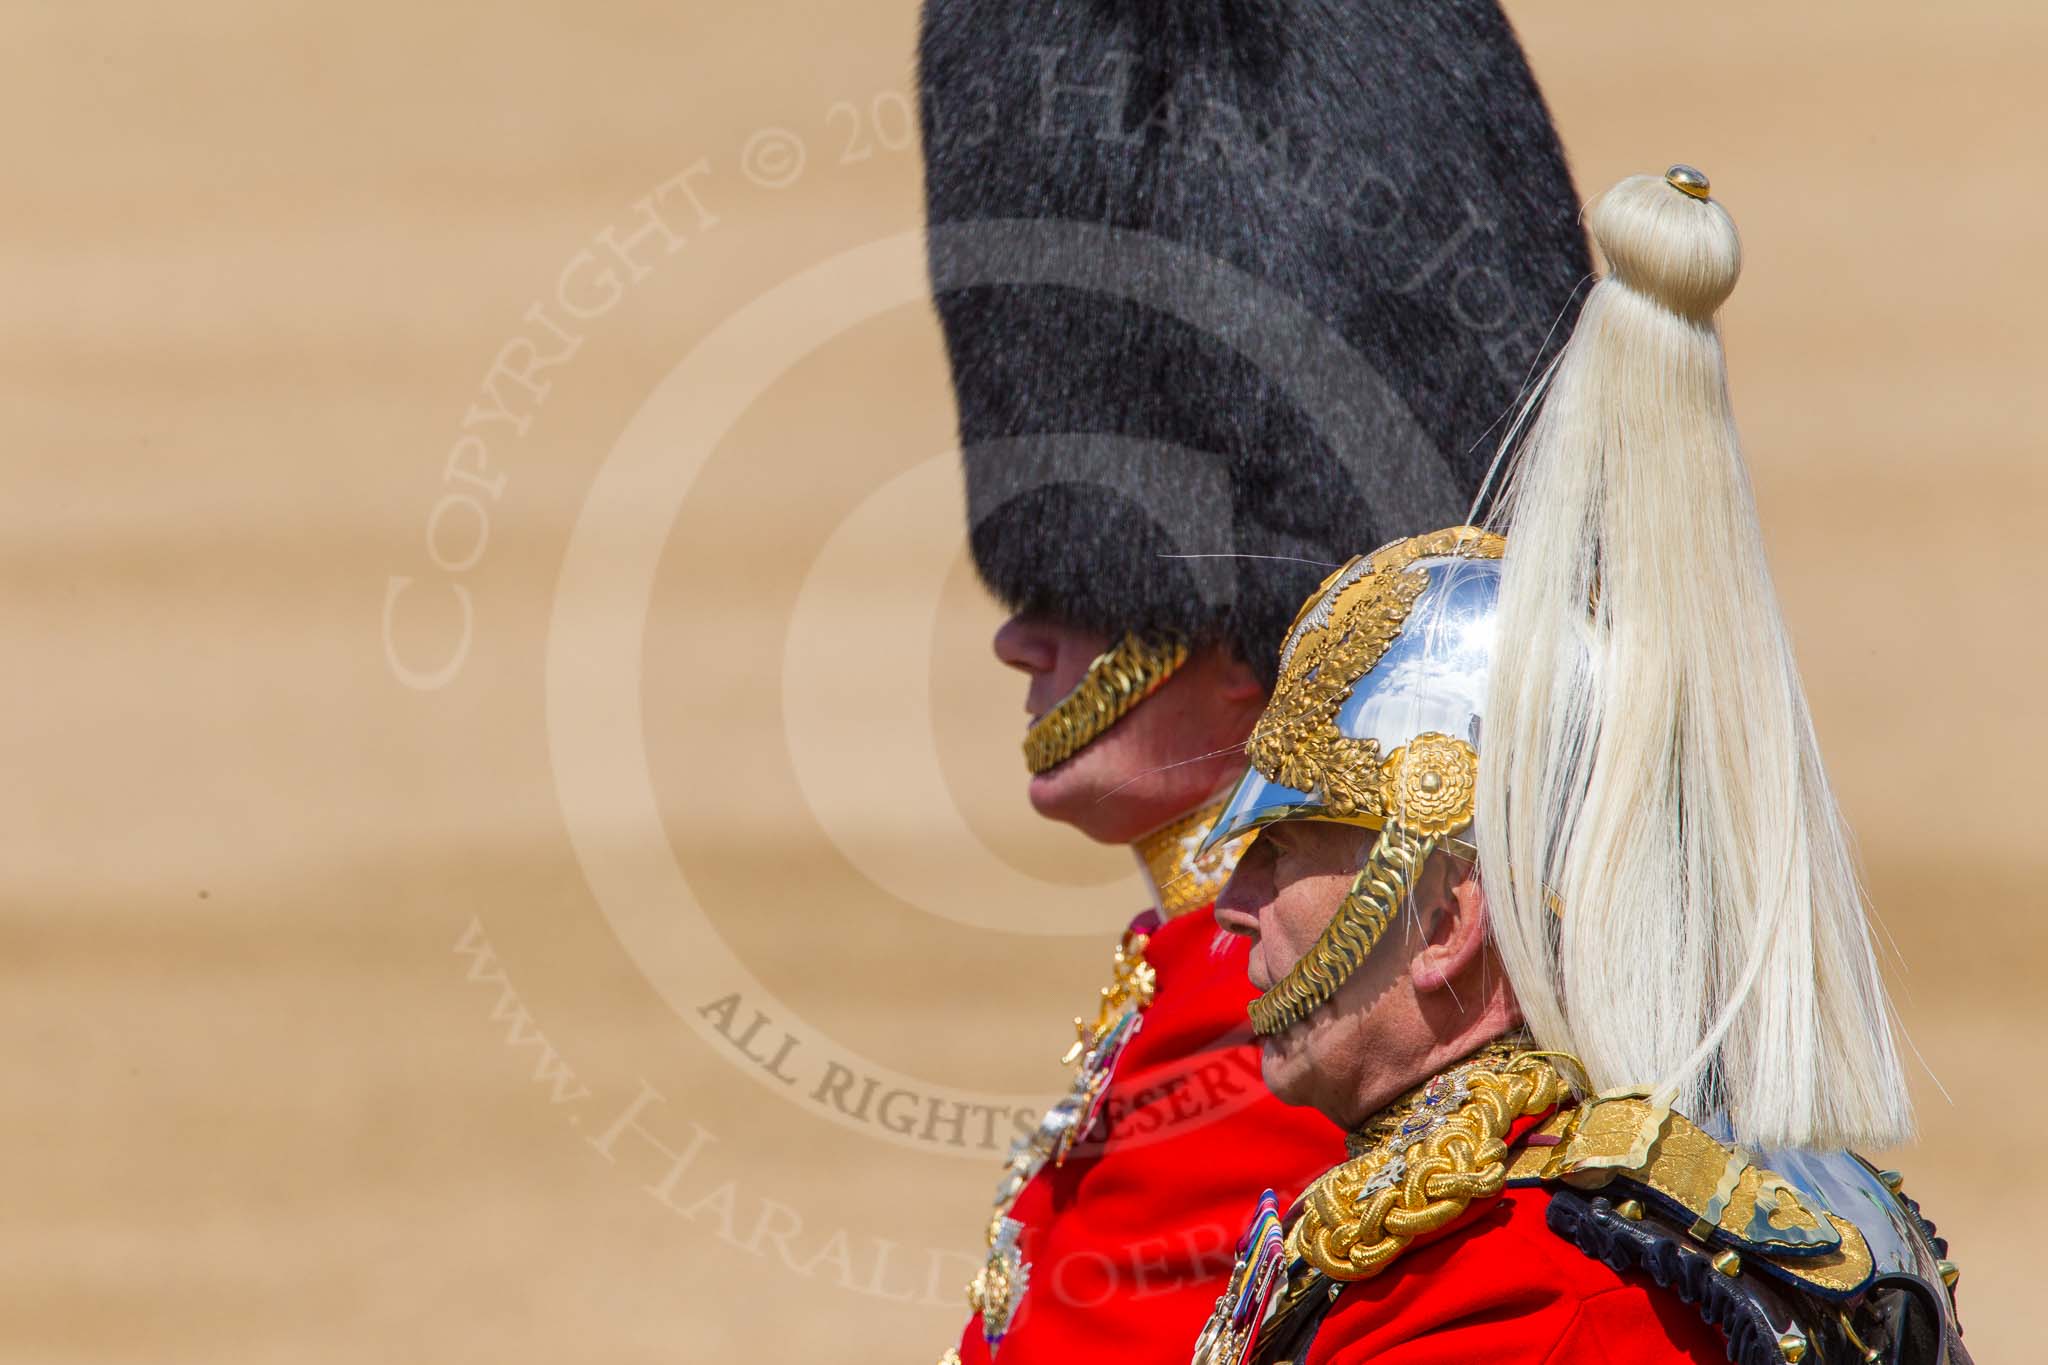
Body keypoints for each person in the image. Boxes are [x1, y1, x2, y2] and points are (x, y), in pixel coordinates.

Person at [1187, 167, 1967, 1365]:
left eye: (1284, 846)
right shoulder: (1491, 1229)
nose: (1232, 904)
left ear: (1445, 917)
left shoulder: (1533, 1300)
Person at [917, 2, 1592, 1361]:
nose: (1020, 638)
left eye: (1088, 582)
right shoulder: (1200, 989)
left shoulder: (1300, 1033)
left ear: (1252, 641)